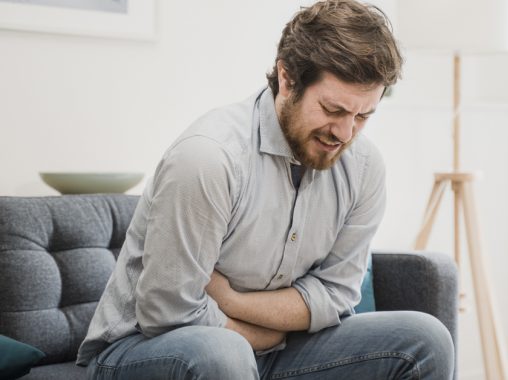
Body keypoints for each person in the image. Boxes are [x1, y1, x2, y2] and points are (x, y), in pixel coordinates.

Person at [76, 0, 454, 378]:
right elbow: (169, 314)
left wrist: (231, 299)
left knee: (424, 339)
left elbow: (335, 297)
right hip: (143, 351)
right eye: (332, 109)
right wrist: (271, 331)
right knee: (221, 354)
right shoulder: (209, 158)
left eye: (362, 116)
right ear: (287, 79)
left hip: (266, 349)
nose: (344, 133)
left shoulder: (364, 167)